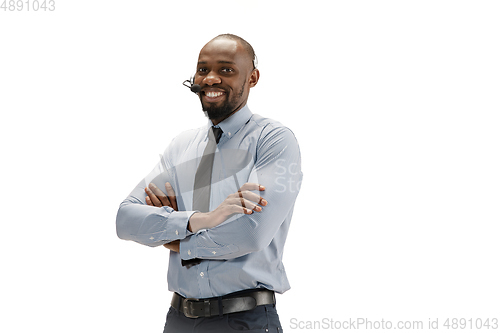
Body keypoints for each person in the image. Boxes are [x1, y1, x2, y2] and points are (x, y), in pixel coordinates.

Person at [116, 33, 302, 332]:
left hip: (245, 320)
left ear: (252, 78)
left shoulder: (273, 141)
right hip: (178, 319)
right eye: (203, 69)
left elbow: (250, 235)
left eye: (226, 70)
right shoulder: (181, 146)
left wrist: (173, 238)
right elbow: (125, 219)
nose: (211, 78)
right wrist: (202, 219)